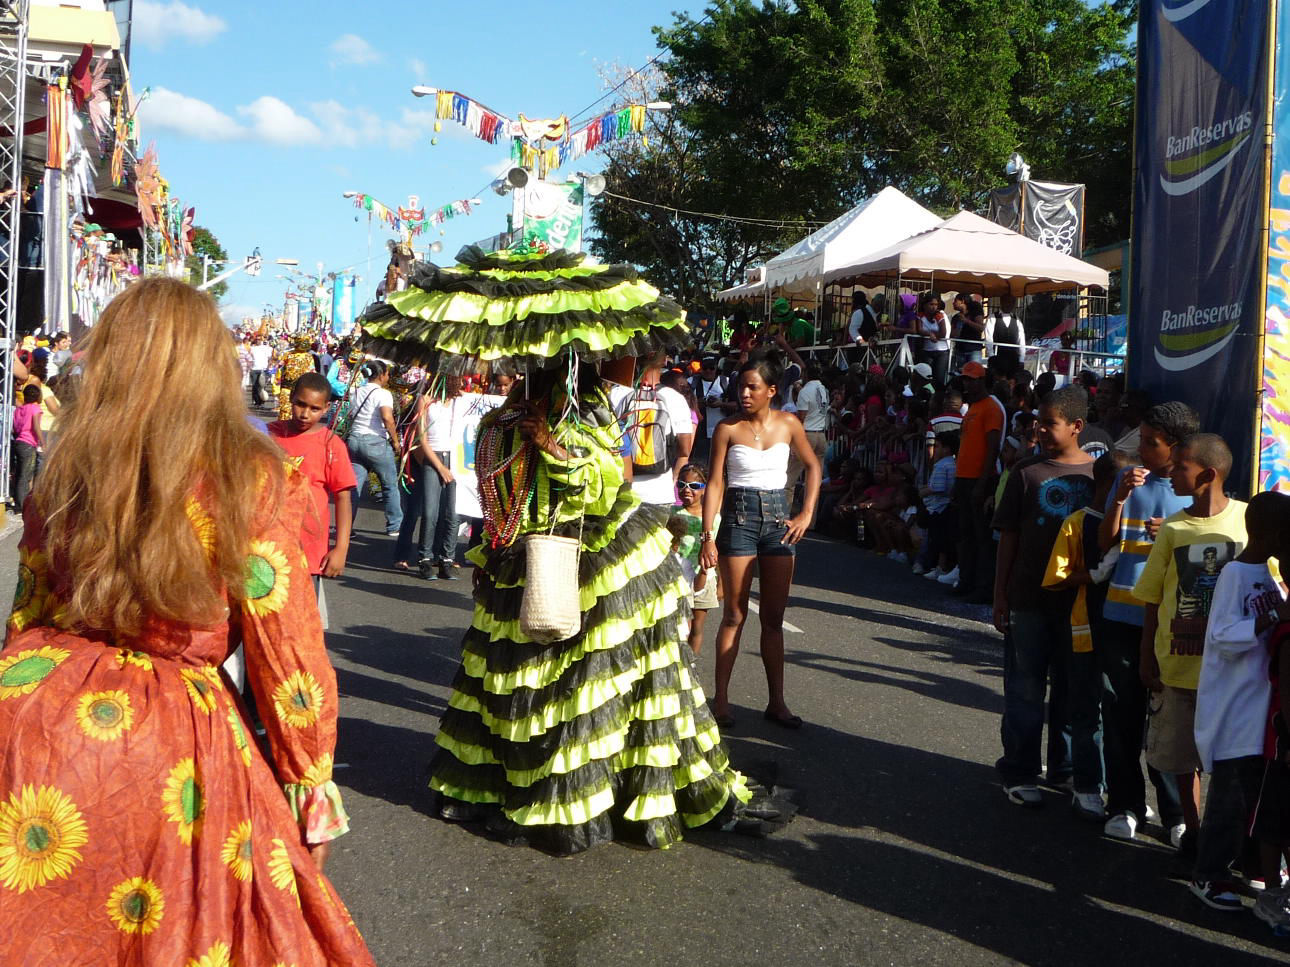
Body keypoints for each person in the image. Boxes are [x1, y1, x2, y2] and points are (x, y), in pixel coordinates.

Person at [0, 278, 373, 964]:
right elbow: (285, 648)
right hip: (173, 740)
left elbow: (26, 608)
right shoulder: (251, 476)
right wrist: (308, 778)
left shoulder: (67, 464)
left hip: (34, 713)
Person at [427, 363, 753, 852]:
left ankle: (587, 796)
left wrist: (551, 447)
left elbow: (602, 488)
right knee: (540, 679)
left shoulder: (574, 417)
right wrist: (500, 540)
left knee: (590, 684)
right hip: (533, 561)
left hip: (589, 563)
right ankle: (535, 786)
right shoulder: (504, 423)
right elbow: (503, 492)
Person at [1135, 433, 1246, 864]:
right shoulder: (1175, 529)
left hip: (1234, 674)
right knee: (1182, 758)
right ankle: (1194, 831)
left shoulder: (1247, 520)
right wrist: (1147, 659)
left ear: (1208, 474)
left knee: (1232, 762)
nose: (1171, 471)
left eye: (1180, 466)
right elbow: (1153, 599)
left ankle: (1229, 840)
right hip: (1178, 670)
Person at [702, 353, 821, 730]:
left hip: (778, 520)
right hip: (737, 519)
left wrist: (806, 514)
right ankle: (721, 700)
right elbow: (715, 483)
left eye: (753, 387)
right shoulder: (728, 428)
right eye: (742, 386)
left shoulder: (788, 424)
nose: (745, 393)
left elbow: (814, 464)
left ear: (772, 390)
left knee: (773, 617)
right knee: (734, 613)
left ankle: (777, 702)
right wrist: (708, 535)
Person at [1097, 401, 1198, 843]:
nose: (1139, 448)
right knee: (1121, 714)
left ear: (1174, 448)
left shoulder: (1196, 490)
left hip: (1171, 623)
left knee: (1170, 720)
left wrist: (1172, 536)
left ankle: (1177, 813)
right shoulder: (1126, 479)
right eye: (1140, 439)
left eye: (1149, 442)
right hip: (1122, 612)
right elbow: (1105, 542)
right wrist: (1119, 499)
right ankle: (1125, 804)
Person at [992, 386, 1096, 806]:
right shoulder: (1026, 473)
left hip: (1079, 605)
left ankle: (1065, 769)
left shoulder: (1098, 477)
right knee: (1025, 688)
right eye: (1038, 421)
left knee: (1073, 691)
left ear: (1077, 426)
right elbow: (1009, 538)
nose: (1040, 428)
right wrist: (1001, 595)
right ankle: (1020, 768)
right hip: (1028, 599)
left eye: (1049, 422)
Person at [1189, 492, 1290, 915]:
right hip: (1233, 711)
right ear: (1270, 533)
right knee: (1229, 800)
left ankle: (1249, 863)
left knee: (1254, 798)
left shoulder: (1267, 576)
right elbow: (1222, 636)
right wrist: (1272, 618)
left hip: (1259, 715)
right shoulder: (1235, 572)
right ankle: (1208, 873)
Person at [1042, 451, 1132, 821]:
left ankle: (1119, 790)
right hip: (1084, 629)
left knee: (1117, 713)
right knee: (1085, 710)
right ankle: (1086, 785)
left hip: (1122, 633)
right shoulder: (1077, 523)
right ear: (1107, 485)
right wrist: (1094, 574)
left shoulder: (1137, 524)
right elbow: (1055, 577)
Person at [267, 371, 357, 612]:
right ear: (291, 398)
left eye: (314, 408)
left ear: (326, 408)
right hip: (265, 548)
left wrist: (341, 548)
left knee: (302, 623)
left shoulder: (331, 445)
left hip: (308, 552)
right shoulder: (266, 435)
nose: (305, 414)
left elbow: (343, 497)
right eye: (300, 404)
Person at [396, 374, 462, 580]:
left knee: (453, 513)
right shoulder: (425, 400)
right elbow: (422, 439)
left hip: (456, 458)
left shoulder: (460, 402)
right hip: (433, 458)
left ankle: (447, 559)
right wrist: (440, 467)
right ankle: (425, 559)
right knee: (431, 511)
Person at [610, 351, 693, 506]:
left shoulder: (615, 395)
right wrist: (672, 483)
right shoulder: (675, 399)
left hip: (620, 494)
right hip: (659, 494)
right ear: (663, 361)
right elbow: (684, 453)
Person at [952, 361, 1005, 603]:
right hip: (964, 478)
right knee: (965, 533)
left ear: (982, 381)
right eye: (964, 379)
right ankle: (966, 581)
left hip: (980, 480)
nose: (966, 383)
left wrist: (982, 485)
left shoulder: (992, 408)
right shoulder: (972, 407)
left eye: (971, 379)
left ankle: (983, 588)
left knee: (981, 536)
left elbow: (993, 448)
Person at [345, 360, 404, 537]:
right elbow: (387, 417)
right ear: (381, 375)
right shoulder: (383, 394)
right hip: (375, 442)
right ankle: (394, 525)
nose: (388, 377)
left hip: (354, 440)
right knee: (390, 485)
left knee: (354, 487)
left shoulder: (356, 391)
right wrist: (395, 441)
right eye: (387, 374)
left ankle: (347, 527)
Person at [671, 463, 721, 655]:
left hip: (705, 578)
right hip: (679, 578)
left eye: (694, 486)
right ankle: (678, 663)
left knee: (697, 627)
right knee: (682, 626)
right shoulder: (673, 514)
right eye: (682, 484)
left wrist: (721, 582)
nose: (686, 490)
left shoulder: (713, 518)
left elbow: (719, 550)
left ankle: (690, 665)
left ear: (705, 489)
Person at [786, 360, 829, 517]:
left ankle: (783, 515)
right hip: (821, 435)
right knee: (814, 481)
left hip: (807, 435)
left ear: (806, 375)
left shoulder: (805, 391)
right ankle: (811, 521)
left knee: (790, 478)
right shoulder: (824, 389)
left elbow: (801, 418)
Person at [917, 430, 959, 580]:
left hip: (940, 507)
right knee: (939, 538)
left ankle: (941, 567)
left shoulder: (942, 465)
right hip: (943, 505)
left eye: (938, 446)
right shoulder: (952, 464)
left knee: (940, 538)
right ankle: (938, 566)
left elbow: (938, 488)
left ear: (947, 449)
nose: (936, 449)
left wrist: (924, 491)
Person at [11, 383, 41, 509]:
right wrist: (43, 441)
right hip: (29, 443)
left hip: (18, 442)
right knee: (26, 474)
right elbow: (36, 426)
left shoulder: (19, 409)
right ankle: (22, 505)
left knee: (19, 473)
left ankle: (18, 501)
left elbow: (15, 427)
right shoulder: (35, 409)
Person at [275, 334, 318, 421]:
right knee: (286, 409)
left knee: (299, 409)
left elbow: (312, 371)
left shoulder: (308, 357)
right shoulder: (288, 355)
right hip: (288, 387)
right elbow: (279, 368)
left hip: (301, 388)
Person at [917, 295, 951, 387]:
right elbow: (919, 330)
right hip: (927, 350)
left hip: (942, 351)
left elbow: (943, 332)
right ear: (925, 305)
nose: (934, 307)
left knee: (939, 379)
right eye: (931, 304)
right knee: (926, 377)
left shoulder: (939, 315)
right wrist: (930, 334)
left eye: (936, 304)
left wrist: (934, 336)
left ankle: (938, 398)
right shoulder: (920, 315)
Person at [248, 337, 273, 405]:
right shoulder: (252, 348)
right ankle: (256, 401)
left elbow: (270, 358)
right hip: (254, 369)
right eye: (256, 339)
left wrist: (268, 366)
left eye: (259, 339)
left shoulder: (266, 348)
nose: (258, 341)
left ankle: (262, 401)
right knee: (255, 386)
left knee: (262, 386)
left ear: (261, 340)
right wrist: (249, 366)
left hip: (263, 369)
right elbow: (249, 357)